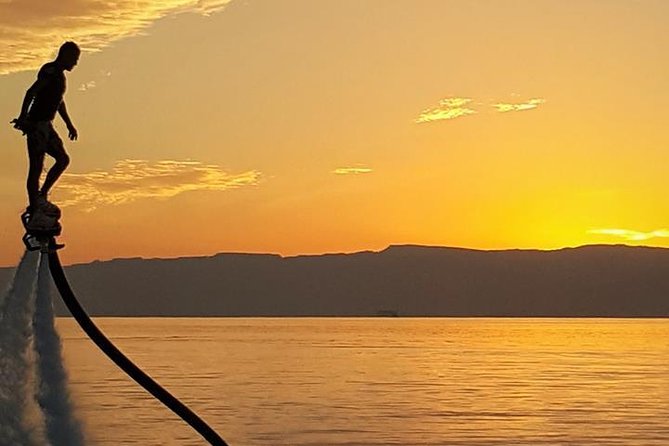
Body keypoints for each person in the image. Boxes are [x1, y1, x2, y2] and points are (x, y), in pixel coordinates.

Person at [11, 41, 80, 216]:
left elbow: (58, 102)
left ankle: (42, 195)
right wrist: (22, 117)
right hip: (37, 125)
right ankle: (35, 205)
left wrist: (69, 124)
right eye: (74, 58)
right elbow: (31, 92)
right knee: (36, 166)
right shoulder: (50, 71)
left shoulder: (60, 77)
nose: (75, 63)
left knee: (63, 159)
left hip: (47, 126)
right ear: (65, 55)